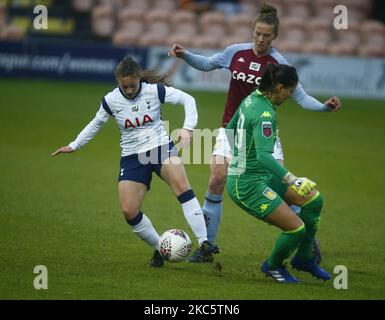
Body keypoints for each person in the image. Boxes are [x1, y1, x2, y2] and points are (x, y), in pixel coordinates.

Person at [168, 3, 341, 263]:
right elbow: (207, 64)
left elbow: (301, 97)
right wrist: (185, 55)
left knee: (279, 186)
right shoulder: (235, 53)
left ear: (275, 37)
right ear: (252, 32)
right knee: (216, 178)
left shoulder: (278, 64)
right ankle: (207, 246)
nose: (261, 40)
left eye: (267, 36)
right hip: (230, 129)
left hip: (263, 132)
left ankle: (305, 237)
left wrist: (324, 108)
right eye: (257, 34)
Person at [51, 57, 219, 267]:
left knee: (182, 187)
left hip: (160, 148)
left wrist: (187, 128)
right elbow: (96, 123)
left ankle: (204, 243)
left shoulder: (154, 91)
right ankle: (160, 248)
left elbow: (189, 100)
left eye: (133, 85)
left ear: (140, 79)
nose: (129, 90)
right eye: (125, 86)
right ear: (118, 81)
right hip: (132, 156)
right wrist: (74, 145)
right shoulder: (111, 100)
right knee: (129, 211)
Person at [226, 63, 331, 283]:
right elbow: (265, 156)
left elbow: (231, 127)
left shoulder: (250, 98)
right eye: (290, 92)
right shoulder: (265, 113)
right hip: (246, 185)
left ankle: (304, 258)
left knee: (313, 201)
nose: (290, 97)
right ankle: (273, 266)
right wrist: (292, 179)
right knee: (296, 229)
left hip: (259, 173)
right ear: (279, 87)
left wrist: (239, 156)